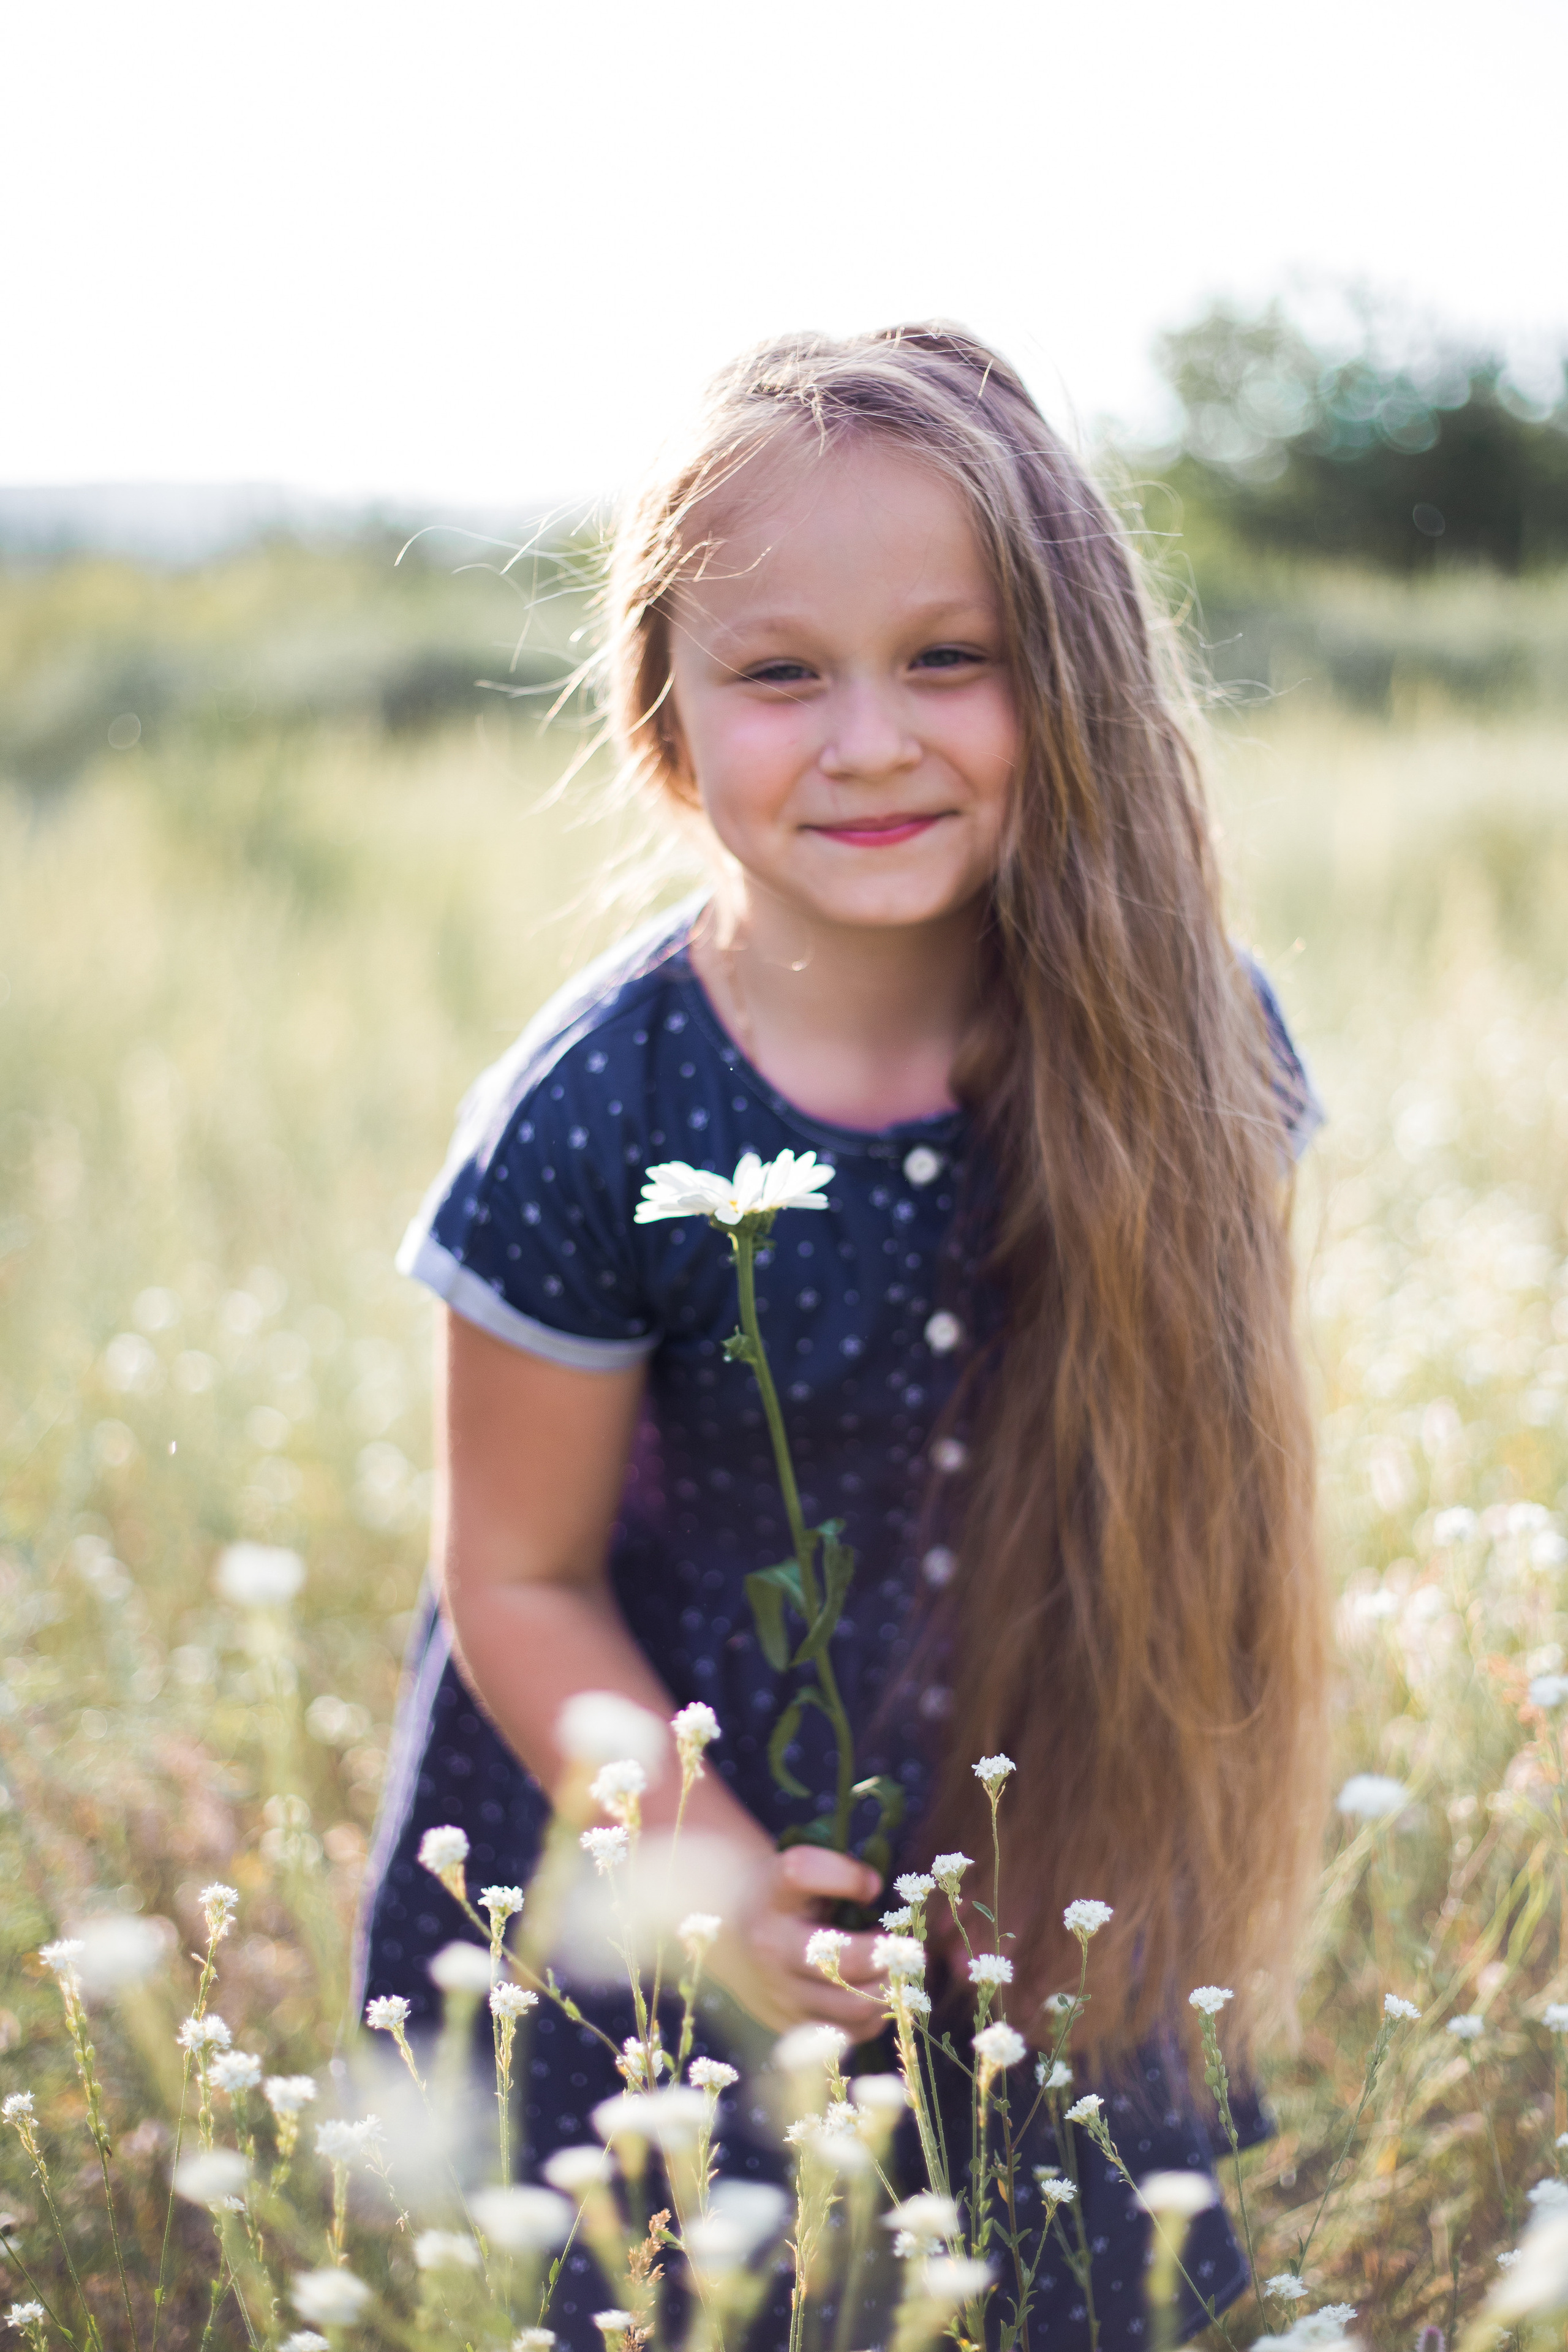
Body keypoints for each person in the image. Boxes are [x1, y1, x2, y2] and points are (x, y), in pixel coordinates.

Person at [356, 324, 1328, 2346]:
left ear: (1067, 680)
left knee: (1063, 2294)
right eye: (782, 672)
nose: (869, 738)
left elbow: (1192, 1476)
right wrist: (698, 1867)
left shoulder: (1188, 1037)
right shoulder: (605, 1118)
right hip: (666, 1878)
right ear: (668, 721)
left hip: (1032, 1840)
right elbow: (514, 1576)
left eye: (948, 658)